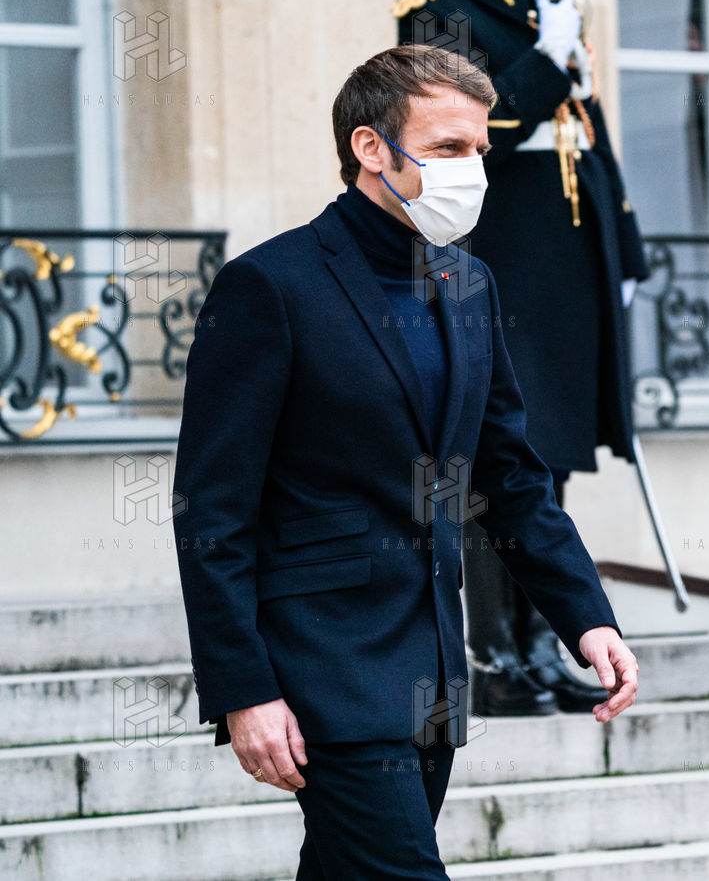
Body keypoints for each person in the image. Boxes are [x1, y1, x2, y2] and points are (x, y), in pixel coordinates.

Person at [172, 45, 639, 879]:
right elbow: (212, 512)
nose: (473, 170)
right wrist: (244, 688)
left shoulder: (471, 283)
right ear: (370, 148)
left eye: (480, 149)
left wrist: (586, 616)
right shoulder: (269, 286)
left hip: (431, 676)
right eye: (449, 147)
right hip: (324, 673)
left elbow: (509, 475)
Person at [394, 0, 651, 716]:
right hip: (502, 244)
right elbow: (477, 129)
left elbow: (590, 128)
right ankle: (495, 649)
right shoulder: (438, 7)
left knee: (551, 449)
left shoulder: (545, 1)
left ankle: (543, 640)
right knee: (500, 452)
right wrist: (545, 60)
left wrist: (624, 242)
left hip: (566, 252)